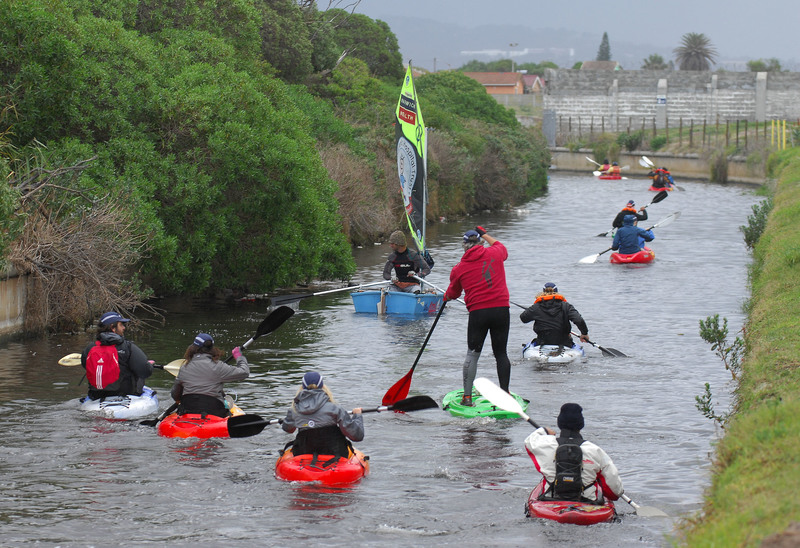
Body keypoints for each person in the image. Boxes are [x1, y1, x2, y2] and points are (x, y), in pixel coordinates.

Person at [444, 226, 511, 406]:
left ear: (464, 246)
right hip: (501, 310)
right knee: (501, 353)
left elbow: (453, 293)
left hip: (478, 313)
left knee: (473, 354)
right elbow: (500, 246)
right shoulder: (496, 253)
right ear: (480, 242)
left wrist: (446, 297)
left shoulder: (459, 268)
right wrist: (485, 234)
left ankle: (467, 398)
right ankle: (505, 394)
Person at [524, 403, 624, 503]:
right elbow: (614, 491)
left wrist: (544, 430)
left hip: (551, 501)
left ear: (559, 423)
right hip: (587, 503)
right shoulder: (595, 450)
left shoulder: (545, 444)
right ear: (581, 425)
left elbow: (530, 440)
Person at [281, 371, 363, 457]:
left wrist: (298, 420)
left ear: (302, 387)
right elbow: (356, 436)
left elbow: (288, 429)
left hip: (304, 453)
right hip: (334, 454)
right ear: (323, 386)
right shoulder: (335, 408)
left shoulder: (294, 410)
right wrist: (357, 416)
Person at [170, 333, 249, 417]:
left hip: (188, 410)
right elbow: (244, 372)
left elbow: (175, 395)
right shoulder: (219, 366)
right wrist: (239, 357)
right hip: (214, 412)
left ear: (192, 348)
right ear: (212, 349)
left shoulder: (184, 368)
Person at [81, 311, 153, 399]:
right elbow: (145, 372)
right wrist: (149, 366)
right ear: (113, 327)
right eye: (121, 324)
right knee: (139, 375)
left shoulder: (89, 348)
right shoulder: (128, 347)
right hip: (125, 395)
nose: (124, 328)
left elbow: (86, 365)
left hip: (96, 396)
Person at [519, 283, 590, 349]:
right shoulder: (566, 306)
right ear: (557, 292)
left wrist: (532, 311)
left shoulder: (536, 307)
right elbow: (578, 320)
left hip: (542, 342)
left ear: (543, 292)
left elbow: (523, 318)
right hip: (564, 343)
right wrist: (584, 333)